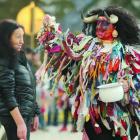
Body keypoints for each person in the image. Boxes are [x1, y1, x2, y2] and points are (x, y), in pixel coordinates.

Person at [34, 5, 140, 140]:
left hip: (117, 113)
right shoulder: (87, 46)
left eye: (105, 23)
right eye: (98, 23)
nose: (100, 26)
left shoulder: (126, 53)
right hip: (92, 112)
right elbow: (64, 46)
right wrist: (51, 28)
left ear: (115, 29)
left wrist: (127, 84)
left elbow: (137, 78)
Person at [0, 19, 40, 140]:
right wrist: (20, 123)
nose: (22, 42)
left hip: (24, 116)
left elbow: (30, 88)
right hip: (14, 118)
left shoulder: (21, 59)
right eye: (18, 37)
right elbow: (7, 94)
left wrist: (35, 112)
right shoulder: (4, 60)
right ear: (6, 38)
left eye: (23, 37)